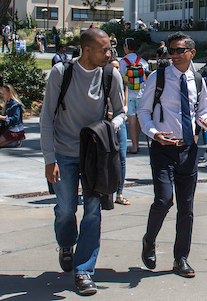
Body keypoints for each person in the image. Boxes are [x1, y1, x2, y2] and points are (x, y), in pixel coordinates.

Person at [40, 28, 126, 295]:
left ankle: (84, 271)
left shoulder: (111, 75)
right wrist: (49, 159)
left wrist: (110, 126)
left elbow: (122, 113)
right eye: (104, 49)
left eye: (110, 48)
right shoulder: (61, 73)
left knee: (92, 212)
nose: (109, 53)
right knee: (66, 210)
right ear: (87, 50)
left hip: (95, 156)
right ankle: (66, 243)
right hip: (64, 153)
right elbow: (46, 118)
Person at [137, 31, 207, 276]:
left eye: (179, 51)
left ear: (192, 52)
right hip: (162, 148)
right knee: (163, 199)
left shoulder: (199, 80)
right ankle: (149, 240)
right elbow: (143, 111)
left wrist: (206, 122)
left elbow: (201, 112)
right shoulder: (158, 77)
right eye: (171, 51)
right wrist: (153, 133)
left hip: (188, 150)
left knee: (187, 208)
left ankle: (180, 258)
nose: (174, 55)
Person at [119, 37, 150, 154]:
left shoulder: (122, 62)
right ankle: (137, 143)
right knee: (138, 119)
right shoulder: (142, 61)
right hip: (141, 94)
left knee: (131, 119)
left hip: (129, 94)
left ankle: (134, 145)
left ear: (126, 47)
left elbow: (122, 78)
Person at [109, 57, 130, 206]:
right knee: (106, 158)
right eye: (113, 67)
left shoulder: (123, 82)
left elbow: (125, 104)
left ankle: (119, 192)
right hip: (106, 123)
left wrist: (124, 111)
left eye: (118, 67)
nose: (116, 70)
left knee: (122, 157)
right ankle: (106, 191)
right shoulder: (103, 81)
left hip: (120, 123)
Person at [0, 84, 26, 148]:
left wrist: (1, 117)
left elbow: (15, 119)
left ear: (9, 93)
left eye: (4, 93)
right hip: (7, 127)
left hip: (15, 129)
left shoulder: (15, 105)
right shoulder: (7, 103)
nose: (2, 95)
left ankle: (16, 140)